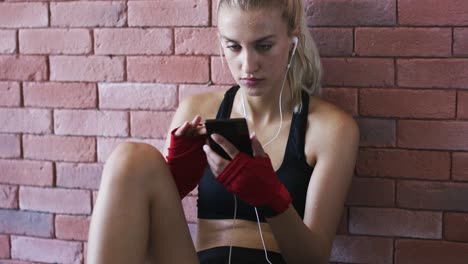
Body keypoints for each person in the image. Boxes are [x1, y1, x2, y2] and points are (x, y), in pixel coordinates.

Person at [86, 0, 359, 263]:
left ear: (292, 41)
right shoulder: (197, 111)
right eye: (234, 46)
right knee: (132, 158)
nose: (248, 65)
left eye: (264, 46)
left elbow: (314, 258)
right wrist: (174, 182)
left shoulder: (330, 129)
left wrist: (271, 199)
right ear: (221, 44)